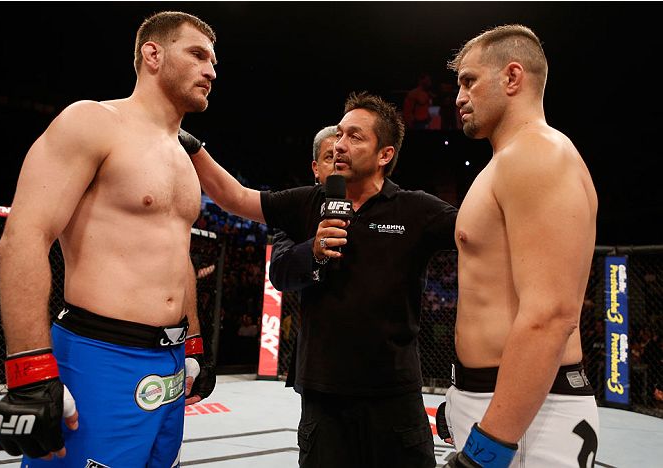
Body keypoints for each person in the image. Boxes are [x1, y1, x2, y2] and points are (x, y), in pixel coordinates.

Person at [0, 11, 218, 468]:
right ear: (153, 54)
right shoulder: (93, 121)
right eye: (197, 55)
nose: (211, 70)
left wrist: (193, 346)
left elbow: (179, 256)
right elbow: (24, 237)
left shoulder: (183, 156)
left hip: (170, 365)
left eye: (213, 61)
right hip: (99, 358)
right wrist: (30, 371)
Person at [185, 91, 458, 467]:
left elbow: (480, 234)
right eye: (340, 134)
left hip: (394, 396)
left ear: (385, 155)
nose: (340, 145)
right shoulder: (308, 203)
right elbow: (235, 199)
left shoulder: (417, 209)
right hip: (324, 397)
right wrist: (194, 147)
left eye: (355, 137)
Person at [438, 25, 599, 468]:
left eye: (469, 81)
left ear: (512, 78)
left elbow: (551, 313)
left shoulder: (538, 154)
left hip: (528, 418)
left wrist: (491, 444)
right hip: (503, 401)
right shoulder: (509, 161)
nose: (458, 97)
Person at [268, 125, 337, 292]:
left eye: (343, 156)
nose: (337, 162)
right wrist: (314, 250)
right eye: (329, 157)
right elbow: (279, 275)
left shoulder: (376, 205)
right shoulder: (296, 208)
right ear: (316, 168)